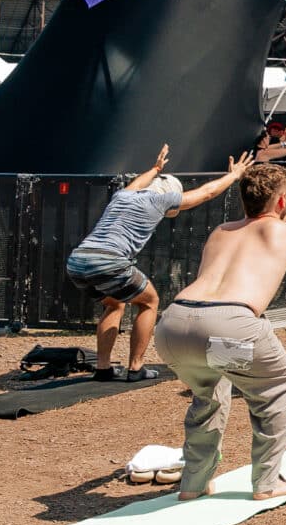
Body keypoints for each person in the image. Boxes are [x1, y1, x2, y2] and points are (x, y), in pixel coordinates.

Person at [158, 161, 286, 501]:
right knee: (279, 385)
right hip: (229, 326)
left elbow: (261, 234)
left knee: (210, 390)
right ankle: (267, 483)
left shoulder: (221, 231)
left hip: (174, 325)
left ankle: (194, 483)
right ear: (283, 202)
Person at [64, 144, 253, 380]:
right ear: (169, 195)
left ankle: (103, 368)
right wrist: (233, 175)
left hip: (78, 261)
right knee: (149, 301)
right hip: (109, 261)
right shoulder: (159, 201)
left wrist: (155, 168)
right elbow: (206, 193)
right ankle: (136, 367)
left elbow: (138, 183)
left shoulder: (123, 195)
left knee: (114, 304)